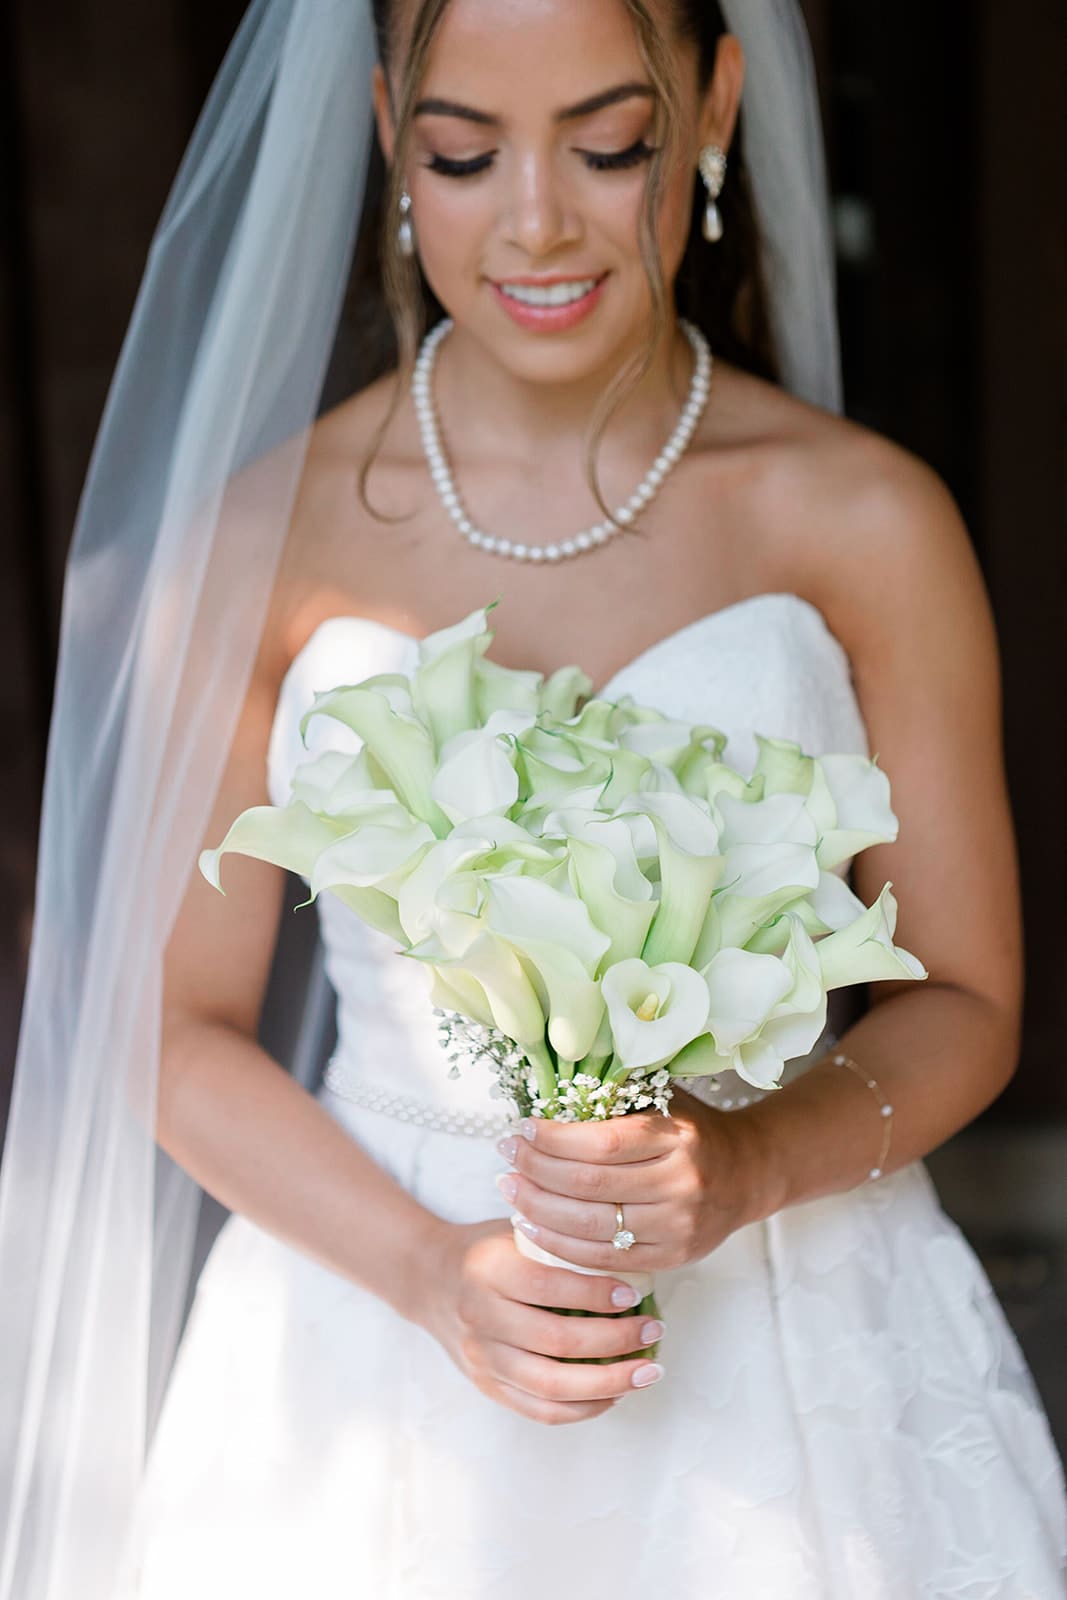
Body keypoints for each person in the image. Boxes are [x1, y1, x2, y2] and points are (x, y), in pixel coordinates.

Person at [2, 1, 1065, 1596]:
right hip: (366, 1324)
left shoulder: (865, 521)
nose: (538, 221)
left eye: (610, 144)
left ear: (715, 107)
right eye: (462, 155)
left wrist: (751, 1164)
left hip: (795, 1325)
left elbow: (968, 998)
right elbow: (166, 1028)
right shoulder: (259, 539)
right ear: (388, 134)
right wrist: (429, 1273)